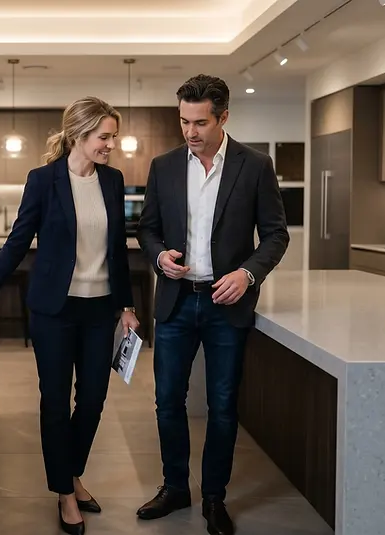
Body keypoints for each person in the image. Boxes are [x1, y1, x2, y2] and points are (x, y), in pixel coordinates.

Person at [0, 97, 140, 535]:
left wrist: (126, 306)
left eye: (113, 138)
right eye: (104, 137)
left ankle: (70, 472)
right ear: (80, 136)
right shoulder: (43, 180)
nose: (111, 145)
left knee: (92, 401)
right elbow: (17, 242)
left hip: (100, 309)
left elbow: (118, 250)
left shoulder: (113, 179)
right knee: (54, 401)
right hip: (55, 310)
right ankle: (66, 493)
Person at [135, 75, 289, 535]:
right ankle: (175, 487)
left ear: (223, 117)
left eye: (200, 122)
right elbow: (147, 229)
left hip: (227, 306)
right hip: (177, 302)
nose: (190, 131)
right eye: (183, 120)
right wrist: (159, 256)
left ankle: (215, 497)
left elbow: (276, 234)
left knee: (222, 405)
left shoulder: (256, 165)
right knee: (167, 402)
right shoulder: (163, 166)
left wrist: (248, 274)